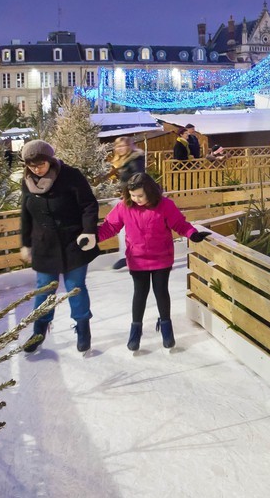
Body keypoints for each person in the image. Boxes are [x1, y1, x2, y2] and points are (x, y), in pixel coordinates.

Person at [95, 174, 208, 351]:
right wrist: (93, 236)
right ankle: (135, 330)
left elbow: (179, 224)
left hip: (161, 257)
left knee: (161, 291)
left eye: (140, 195)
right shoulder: (124, 206)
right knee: (140, 293)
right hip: (137, 259)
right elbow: (110, 227)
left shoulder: (165, 205)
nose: (136, 199)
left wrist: (192, 234)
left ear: (150, 191)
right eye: (132, 195)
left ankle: (166, 328)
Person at [17, 140, 100, 353]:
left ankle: (83, 329)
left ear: (50, 160)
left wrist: (89, 231)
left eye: (40, 164)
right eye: (31, 165)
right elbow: (26, 213)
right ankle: (39, 330)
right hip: (43, 245)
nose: (36, 169)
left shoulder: (71, 175)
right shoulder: (26, 182)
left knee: (75, 287)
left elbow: (89, 205)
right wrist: (26, 243)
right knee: (44, 289)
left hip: (73, 242)